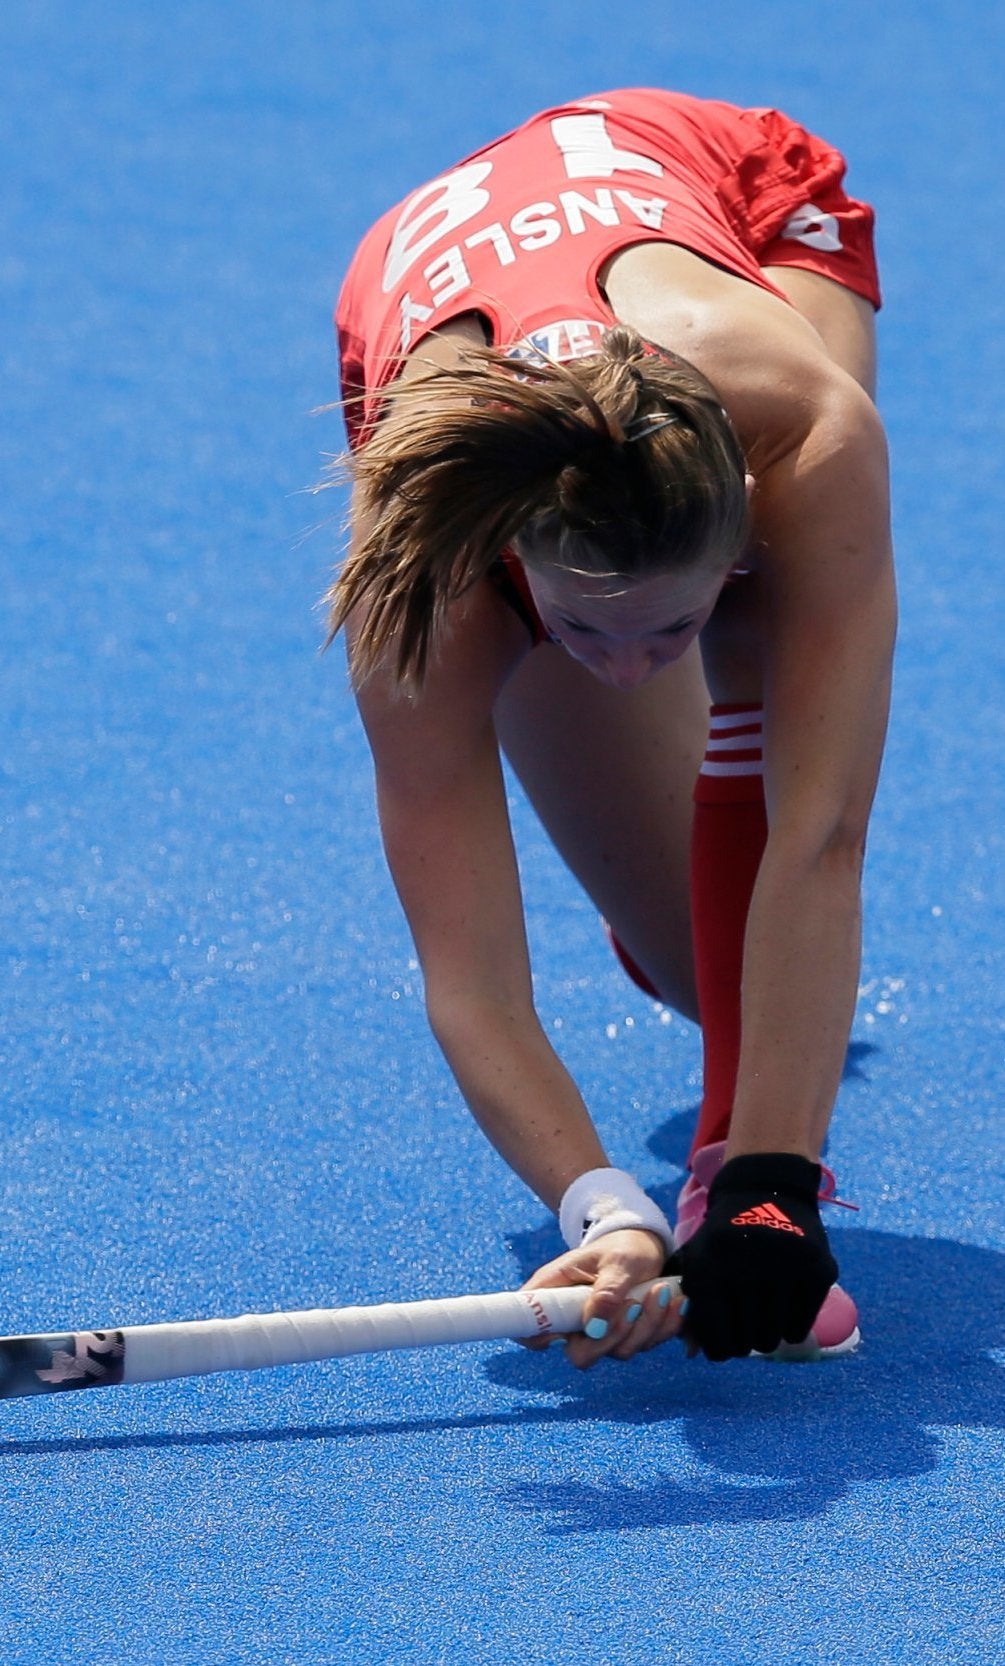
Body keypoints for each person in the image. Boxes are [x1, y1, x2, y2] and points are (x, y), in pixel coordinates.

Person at [329, 89, 891, 1366]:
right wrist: (599, 1206)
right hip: (429, 301)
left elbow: (824, 833)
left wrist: (764, 1183)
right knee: (709, 971)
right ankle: (671, 925)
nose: (635, 672)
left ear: (743, 510)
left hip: (734, 193)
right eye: (586, 635)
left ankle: (725, 1147)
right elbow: (468, 978)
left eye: (665, 628)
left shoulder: (802, 436)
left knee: (768, 655)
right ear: (512, 559)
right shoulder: (427, 583)